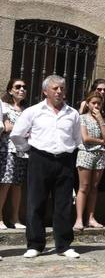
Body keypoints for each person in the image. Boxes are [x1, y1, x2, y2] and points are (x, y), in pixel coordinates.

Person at [10, 75, 82, 258]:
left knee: (64, 204)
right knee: (36, 202)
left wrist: (67, 152)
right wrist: (29, 150)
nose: (59, 92)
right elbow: (17, 135)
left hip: (64, 161)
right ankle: (35, 244)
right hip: (39, 159)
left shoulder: (72, 114)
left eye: (62, 89)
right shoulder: (33, 112)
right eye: (55, 88)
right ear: (45, 91)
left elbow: (76, 139)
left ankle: (64, 245)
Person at [74, 91, 105, 230]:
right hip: (86, 153)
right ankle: (78, 219)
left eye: (99, 103)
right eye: (93, 103)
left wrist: (101, 121)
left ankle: (91, 218)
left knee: (94, 187)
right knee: (84, 186)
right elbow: (86, 138)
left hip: (100, 154)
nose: (96, 106)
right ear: (88, 104)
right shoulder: (82, 118)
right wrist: (101, 141)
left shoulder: (104, 120)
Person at [0, 78, 27, 230]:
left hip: (22, 151)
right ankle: (0, 217)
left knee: (18, 184)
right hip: (7, 149)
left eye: (24, 87)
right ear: (10, 90)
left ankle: (15, 217)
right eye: (18, 87)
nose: (22, 89)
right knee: (6, 183)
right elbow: (5, 127)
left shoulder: (26, 110)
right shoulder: (3, 107)